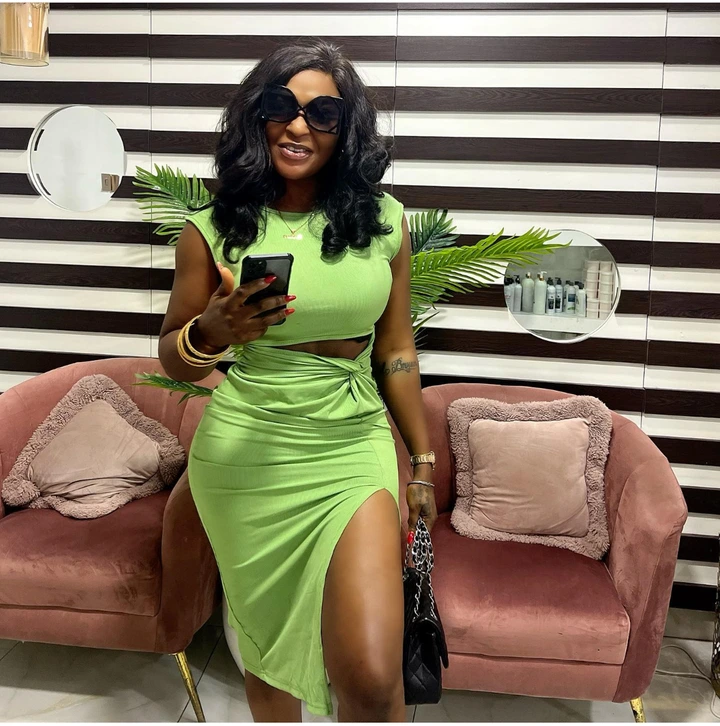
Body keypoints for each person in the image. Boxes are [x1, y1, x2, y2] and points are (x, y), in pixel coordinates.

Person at [158, 38, 438, 723]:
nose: (298, 125)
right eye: (282, 105)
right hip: (246, 453)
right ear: (257, 116)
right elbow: (175, 356)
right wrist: (211, 333)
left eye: (323, 113)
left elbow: (395, 349)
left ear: (347, 131)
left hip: (350, 444)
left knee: (371, 675)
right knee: (269, 654)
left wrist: (422, 462)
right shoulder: (211, 229)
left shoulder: (385, 221)